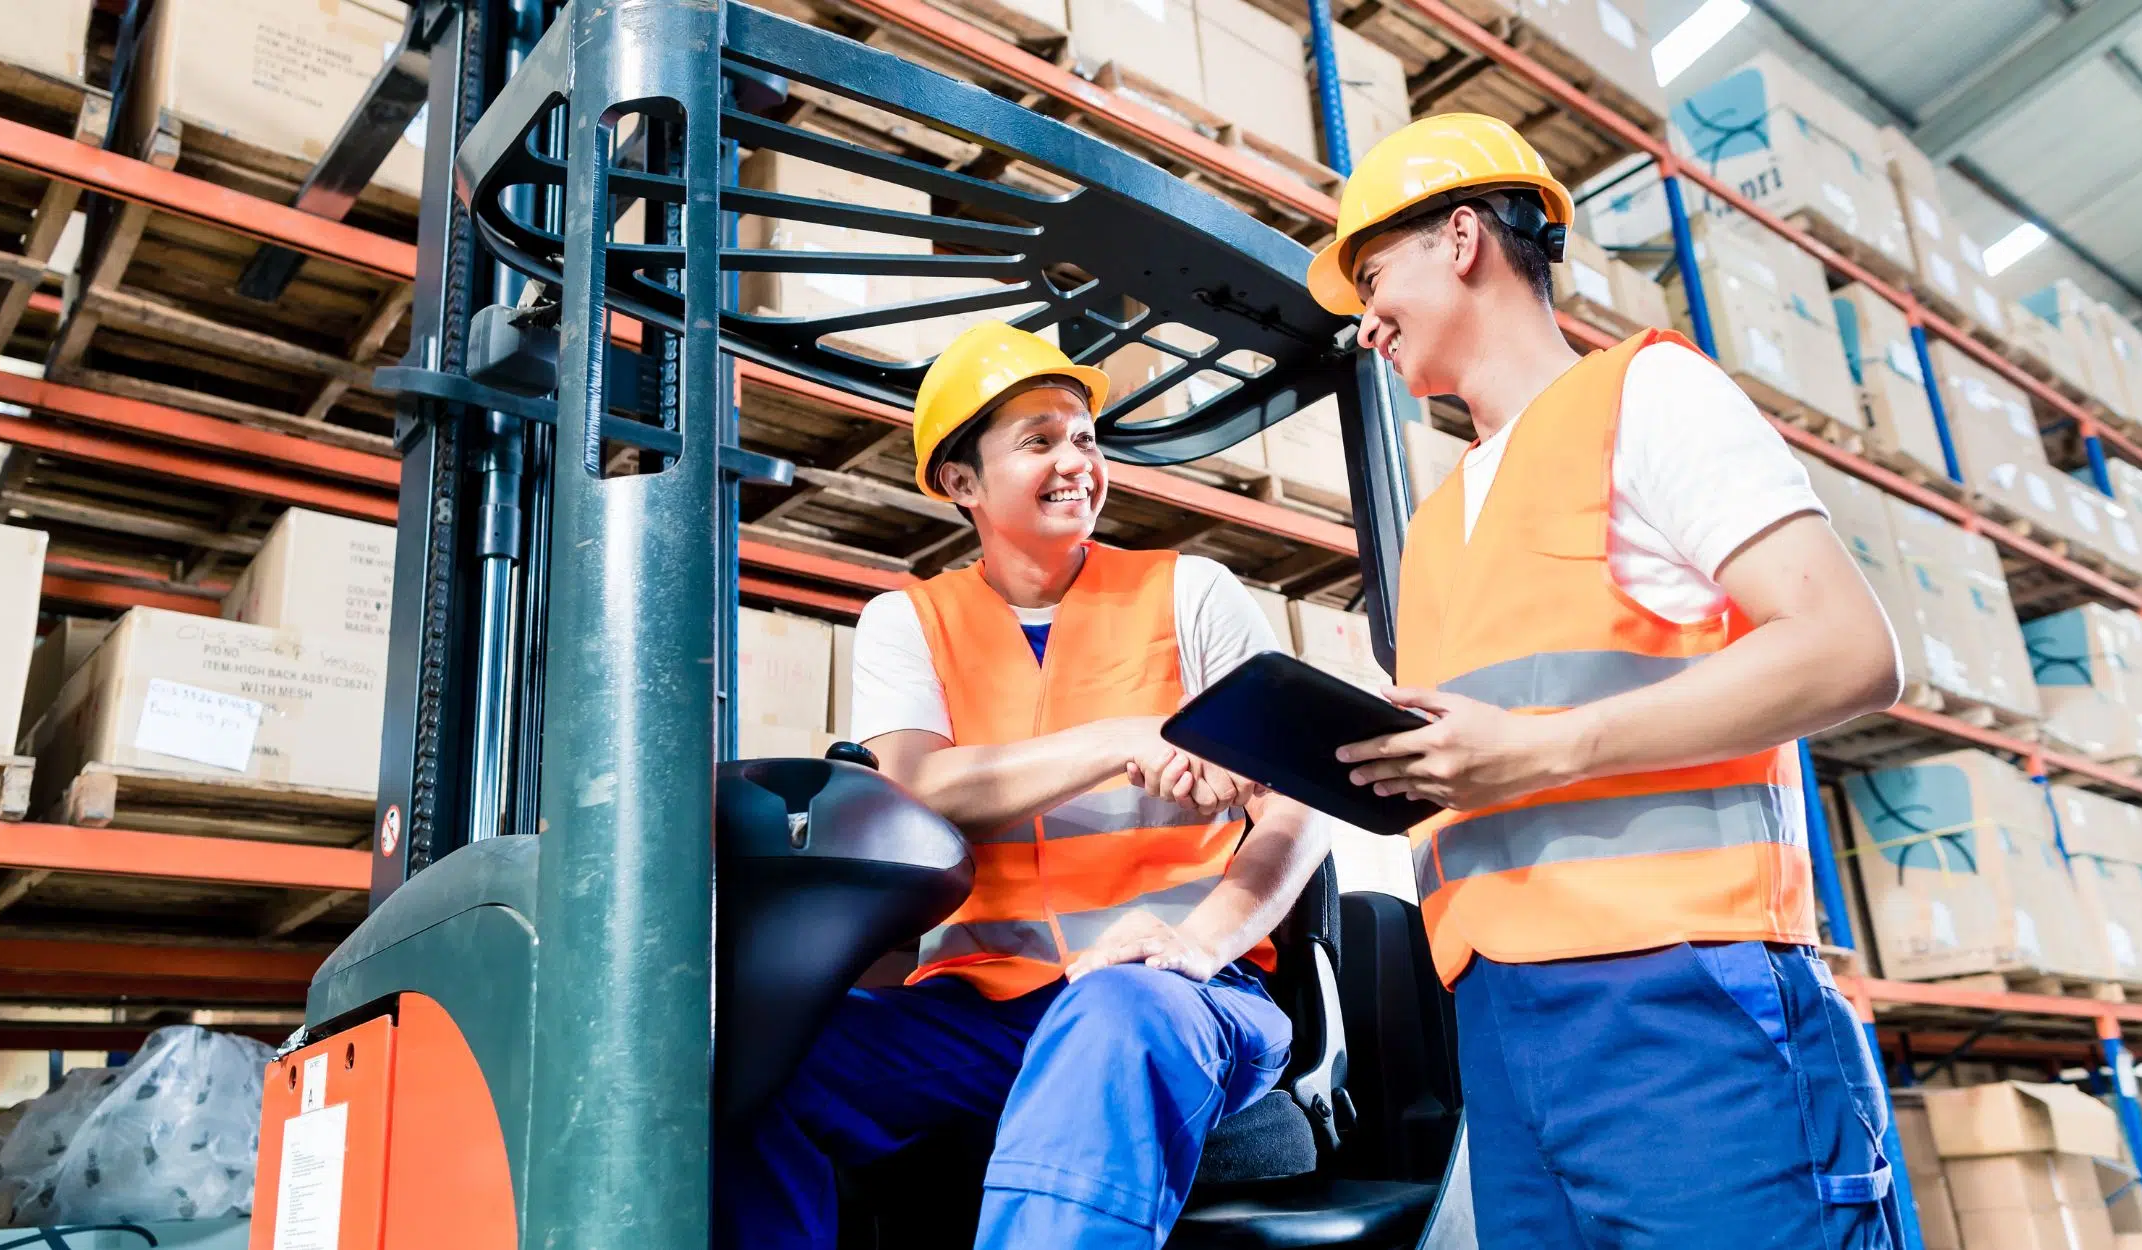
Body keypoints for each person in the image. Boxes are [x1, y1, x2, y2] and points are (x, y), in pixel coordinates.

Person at [1312, 114, 1907, 1249]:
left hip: (1684, 1002)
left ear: (1460, 236)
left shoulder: (1646, 397)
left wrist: (1542, 747)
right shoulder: (1434, 526)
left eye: (1372, 275)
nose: (1364, 316)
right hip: (1498, 1021)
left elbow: (1846, 646)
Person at [717, 321, 1330, 1249]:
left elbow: (1298, 800)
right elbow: (917, 786)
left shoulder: (1189, 594)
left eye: (1083, 436)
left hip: (1175, 991)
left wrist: (1202, 944)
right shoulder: (910, 622)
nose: (1075, 459)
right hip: (976, 1011)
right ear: (962, 483)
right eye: (1038, 441)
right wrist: (1123, 736)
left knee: (1113, 1014)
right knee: (750, 1063)